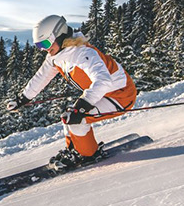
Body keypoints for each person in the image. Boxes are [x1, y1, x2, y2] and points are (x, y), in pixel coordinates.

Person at [8, 14, 138, 170]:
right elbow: (41, 77)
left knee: (77, 119)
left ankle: (88, 154)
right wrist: (23, 98)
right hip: (101, 93)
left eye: (46, 43)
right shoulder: (56, 56)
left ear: (59, 35)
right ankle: (74, 150)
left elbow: (103, 80)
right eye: (39, 46)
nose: (44, 49)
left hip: (120, 95)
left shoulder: (83, 53)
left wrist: (83, 105)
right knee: (68, 115)